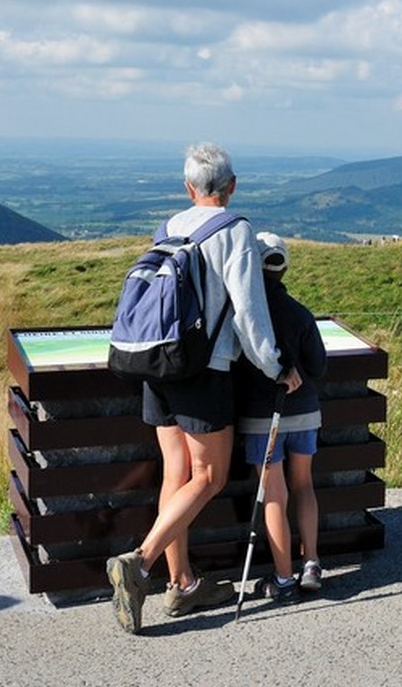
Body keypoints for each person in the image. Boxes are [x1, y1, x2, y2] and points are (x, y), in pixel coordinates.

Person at [105, 142, 294, 635]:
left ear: (188, 188)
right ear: (232, 187)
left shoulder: (168, 227)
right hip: (203, 371)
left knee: (177, 472)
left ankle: (183, 583)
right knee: (208, 477)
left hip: (155, 364)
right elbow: (250, 315)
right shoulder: (235, 231)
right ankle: (140, 564)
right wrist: (276, 367)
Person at [236, 231, 328, 603]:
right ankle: (312, 562)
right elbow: (318, 366)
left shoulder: (245, 314)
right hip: (305, 412)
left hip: (262, 417)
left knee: (274, 494)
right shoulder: (301, 313)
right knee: (303, 483)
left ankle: (284, 578)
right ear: (284, 268)